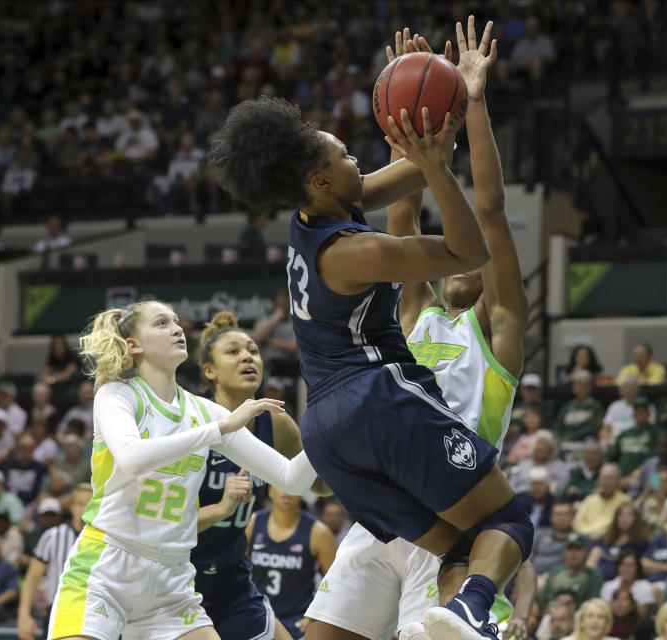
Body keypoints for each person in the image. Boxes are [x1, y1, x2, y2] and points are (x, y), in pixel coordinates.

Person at [211, 20, 534, 640]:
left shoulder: (314, 218)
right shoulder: (371, 264)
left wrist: (433, 112)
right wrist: (436, 154)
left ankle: (465, 616)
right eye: (347, 156)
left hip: (333, 434)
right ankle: (472, 611)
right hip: (382, 413)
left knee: (459, 551)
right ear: (321, 180)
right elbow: (469, 242)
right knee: (509, 519)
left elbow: (416, 182)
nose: (358, 159)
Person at [46, 300, 319, 640]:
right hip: (107, 567)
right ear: (134, 344)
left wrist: (334, 429)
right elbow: (132, 457)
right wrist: (220, 429)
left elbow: (292, 480)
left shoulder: (204, 412)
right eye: (161, 323)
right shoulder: (117, 395)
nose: (176, 328)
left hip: (171, 580)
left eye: (176, 321)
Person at [191, 310, 332, 640]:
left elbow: (321, 487)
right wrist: (221, 509)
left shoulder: (276, 423)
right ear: (209, 370)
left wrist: (334, 435)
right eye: (233, 352)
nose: (247, 357)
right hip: (179, 578)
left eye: (253, 351)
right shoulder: (194, 421)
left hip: (231, 581)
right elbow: (163, 522)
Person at [248, 487, 337, 639]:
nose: (286, 491)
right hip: (258, 614)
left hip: (297, 620)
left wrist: (314, 616)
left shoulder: (318, 531)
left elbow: (336, 583)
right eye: (280, 484)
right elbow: (234, 569)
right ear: (270, 491)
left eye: (292, 485)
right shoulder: (254, 522)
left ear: (303, 491)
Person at [18, 484, 91, 640]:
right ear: (71, 507)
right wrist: (24, 614)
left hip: (93, 614)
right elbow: (32, 578)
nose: (85, 509)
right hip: (58, 612)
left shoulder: (108, 540)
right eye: (80, 504)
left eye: (90, 504)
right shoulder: (53, 536)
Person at [588, 504, 650, 581]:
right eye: (621, 514)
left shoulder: (641, 543)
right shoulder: (606, 539)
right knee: (596, 551)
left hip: (623, 581)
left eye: (629, 515)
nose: (624, 518)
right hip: (598, 579)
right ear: (616, 518)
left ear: (635, 519)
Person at [608, 396, 659, 489]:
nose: (640, 413)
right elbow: (610, 456)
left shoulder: (656, 433)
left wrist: (636, 475)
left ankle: (657, 497)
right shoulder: (624, 434)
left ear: (648, 413)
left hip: (646, 476)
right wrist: (615, 474)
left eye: (643, 411)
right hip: (622, 478)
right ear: (633, 414)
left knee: (656, 479)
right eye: (637, 411)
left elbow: (654, 458)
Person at [539, 533, 604, 605]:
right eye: (569, 549)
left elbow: (593, 602)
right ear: (564, 552)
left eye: (577, 549)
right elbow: (544, 599)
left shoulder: (593, 576)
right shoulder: (556, 572)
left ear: (586, 552)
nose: (573, 554)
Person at [574, 464, 632, 538]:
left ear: (618, 480)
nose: (607, 483)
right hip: (586, 537)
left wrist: (602, 534)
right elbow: (578, 522)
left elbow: (623, 526)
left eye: (611, 479)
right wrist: (589, 533)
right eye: (604, 478)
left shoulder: (625, 501)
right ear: (599, 480)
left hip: (610, 539)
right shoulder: (590, 499)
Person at [598, 550, 654, 618]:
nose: (626, 569)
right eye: (623, 565)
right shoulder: (608, 586)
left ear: (637, 568)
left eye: (631, 565)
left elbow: (643, 616)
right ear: (618, 567)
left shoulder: (644, 587)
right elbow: (605, 613)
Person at [554, 371, 603, 445]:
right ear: (573, 388)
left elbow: (592, 428)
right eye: (578, 385)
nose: (581, 389)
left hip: (584, 443)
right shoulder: (567, 406)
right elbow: (557, 426)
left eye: (584, 386)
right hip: (563, 442)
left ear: (590, 388)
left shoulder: (595, 406)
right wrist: (559, 438)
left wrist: (570, 438)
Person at [532, 502, 576, 576]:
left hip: (560, 579)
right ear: (551, 517)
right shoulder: (539, 534)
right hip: (533, 577)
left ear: (573, 517)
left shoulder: (577, 539)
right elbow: (528, 558)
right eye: (558, 514)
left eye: (566, 514)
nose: (562, 518)